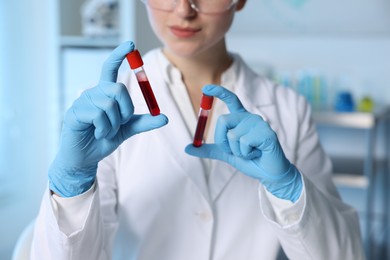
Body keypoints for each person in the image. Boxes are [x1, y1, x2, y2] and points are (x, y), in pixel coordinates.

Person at [31, 0, 365, 259]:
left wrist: (288, 189)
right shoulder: (103, 111)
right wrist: (71, 187)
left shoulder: (288, 109)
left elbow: (344, 255)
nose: (184, 10)